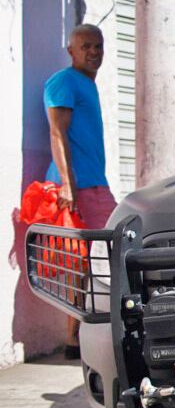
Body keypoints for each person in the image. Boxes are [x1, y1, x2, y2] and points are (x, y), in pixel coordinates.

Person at [43, 24, 115, 360]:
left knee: (89, 260)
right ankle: (78, 337)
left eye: (98, 46)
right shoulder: (64, 81)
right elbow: (57, 133)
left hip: (94, 183)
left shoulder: (88, 84)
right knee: (102, 252)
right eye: (85, 46)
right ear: (71, 50)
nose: (93, 52)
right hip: (79, 186)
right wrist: (67, 185)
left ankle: (75, 338)